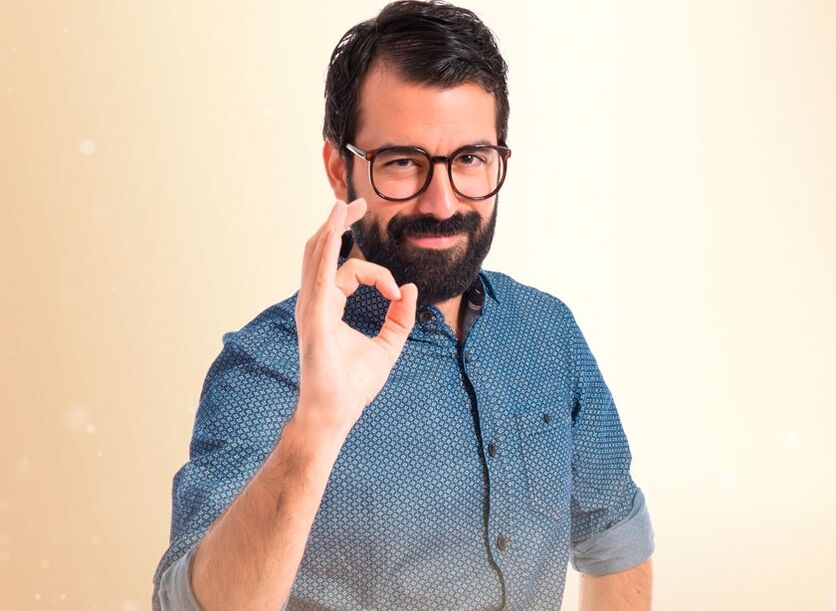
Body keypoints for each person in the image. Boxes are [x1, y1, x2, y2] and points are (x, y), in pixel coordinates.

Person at [152, 1, 655, 609]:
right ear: (339, 169)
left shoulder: (547, 332)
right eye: (402, 163)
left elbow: (615, 536)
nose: (442, 203)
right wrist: (315, 428)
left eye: (470, 159)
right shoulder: (270, 367)